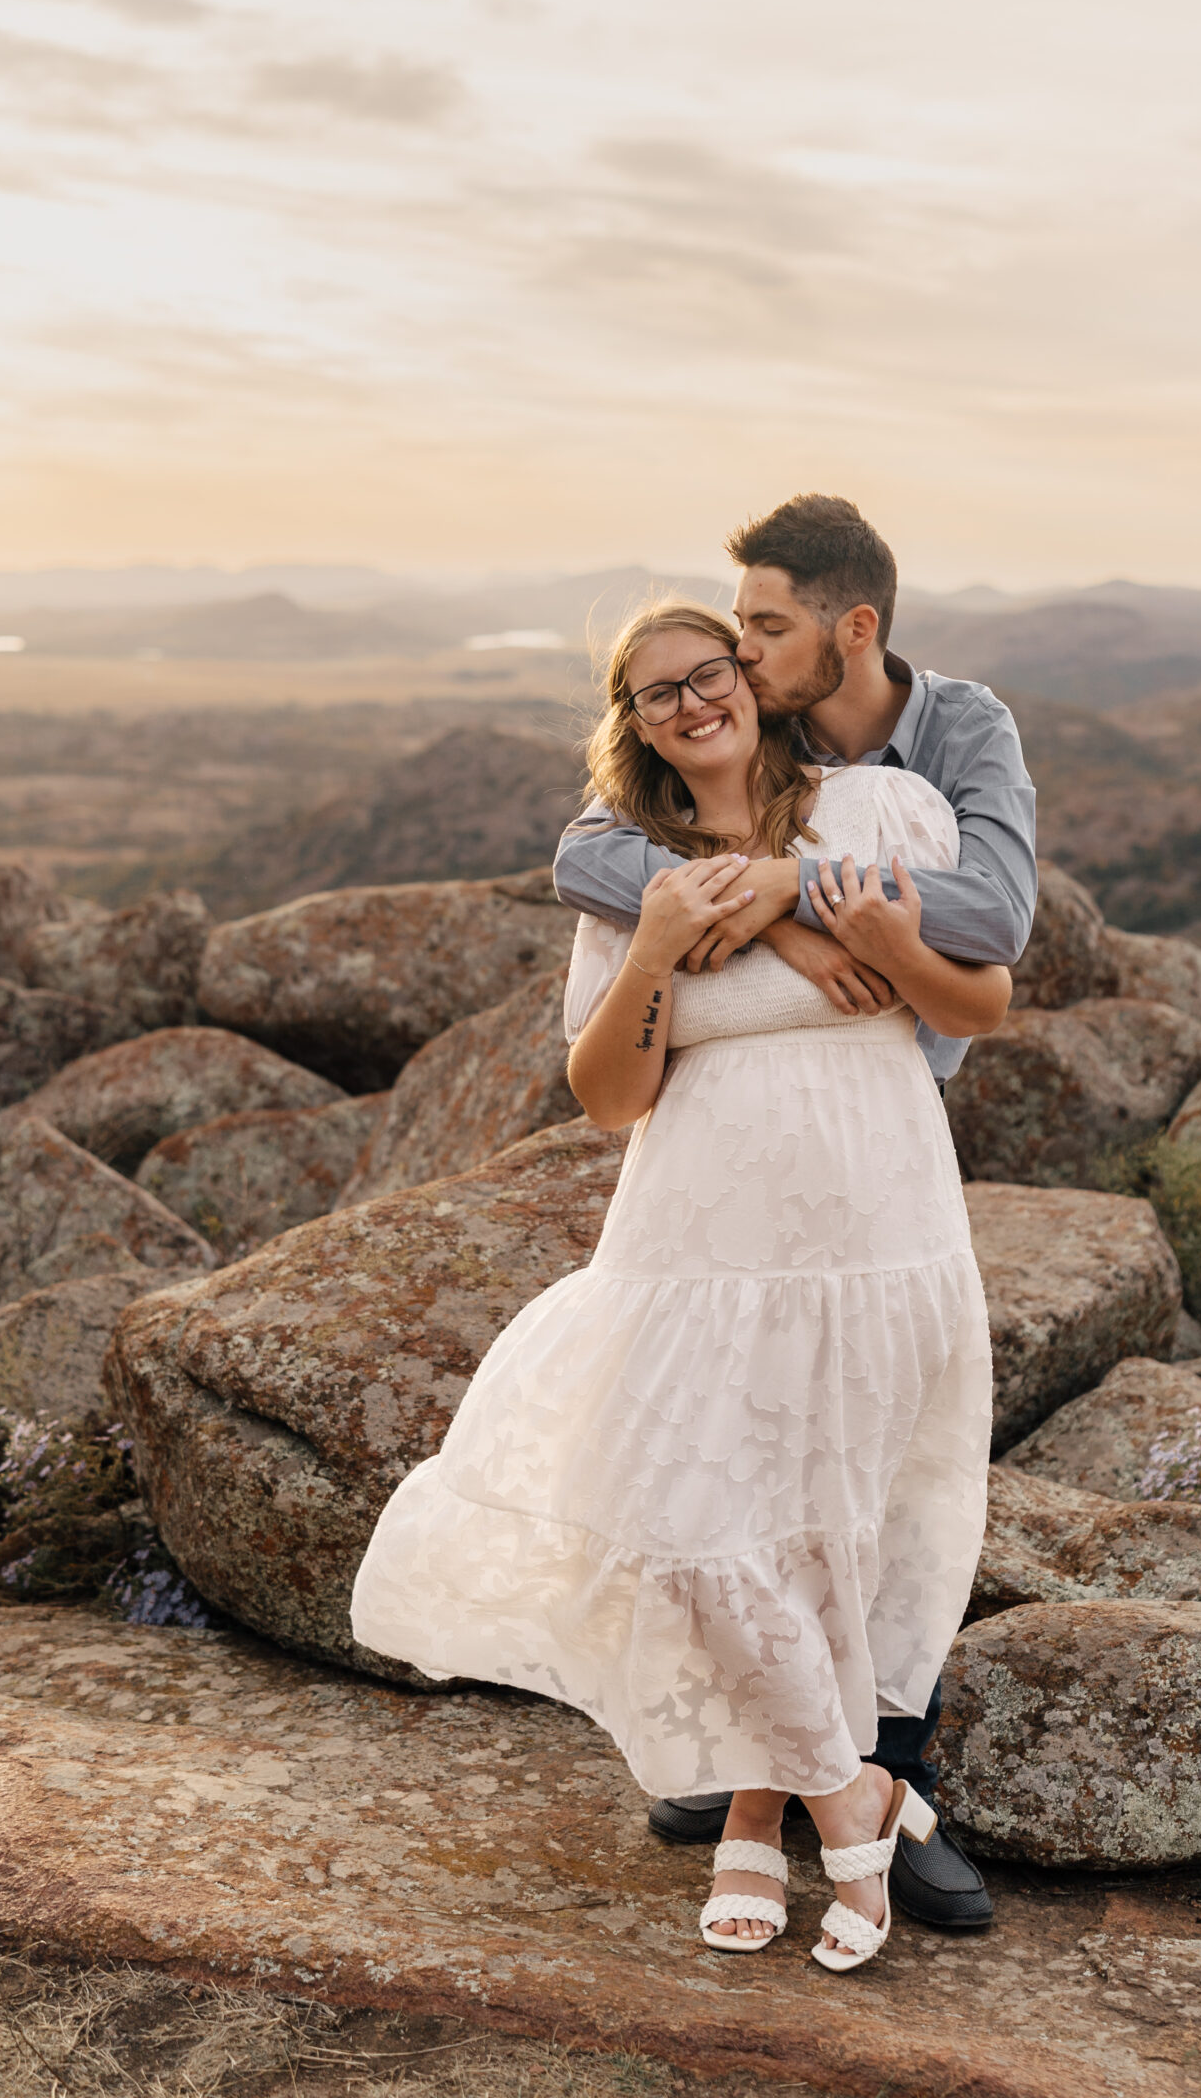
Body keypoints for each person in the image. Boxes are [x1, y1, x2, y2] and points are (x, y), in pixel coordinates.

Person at [352, 595, 1008, 1971]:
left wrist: (854, 935)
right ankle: (861, 1798)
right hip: (699, 1246)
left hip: (871, 1230)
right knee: (701, 1524)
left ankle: (752, 1827)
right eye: (658, 694)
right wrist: (656, 945)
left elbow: (974, 1003)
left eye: (709, 673)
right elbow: (608, 1094)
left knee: (830, 1523)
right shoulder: (634, 873)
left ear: (753, 683)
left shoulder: (885, 817)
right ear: (635, 724)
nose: (692, 703)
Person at [553, 493, 1038, 1934]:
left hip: (873, 1182)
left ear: (852, 630)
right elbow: (590, 865)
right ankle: (830, 1792)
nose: (734, 674)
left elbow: (994, 930)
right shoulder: (644, 828)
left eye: (755, 639)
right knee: (704, 1490)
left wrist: (824, 901)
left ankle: (864, 1775)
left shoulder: (940, 750)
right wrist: (749, 912)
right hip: (710, 1224)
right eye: (695, 670)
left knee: (866, 1491)